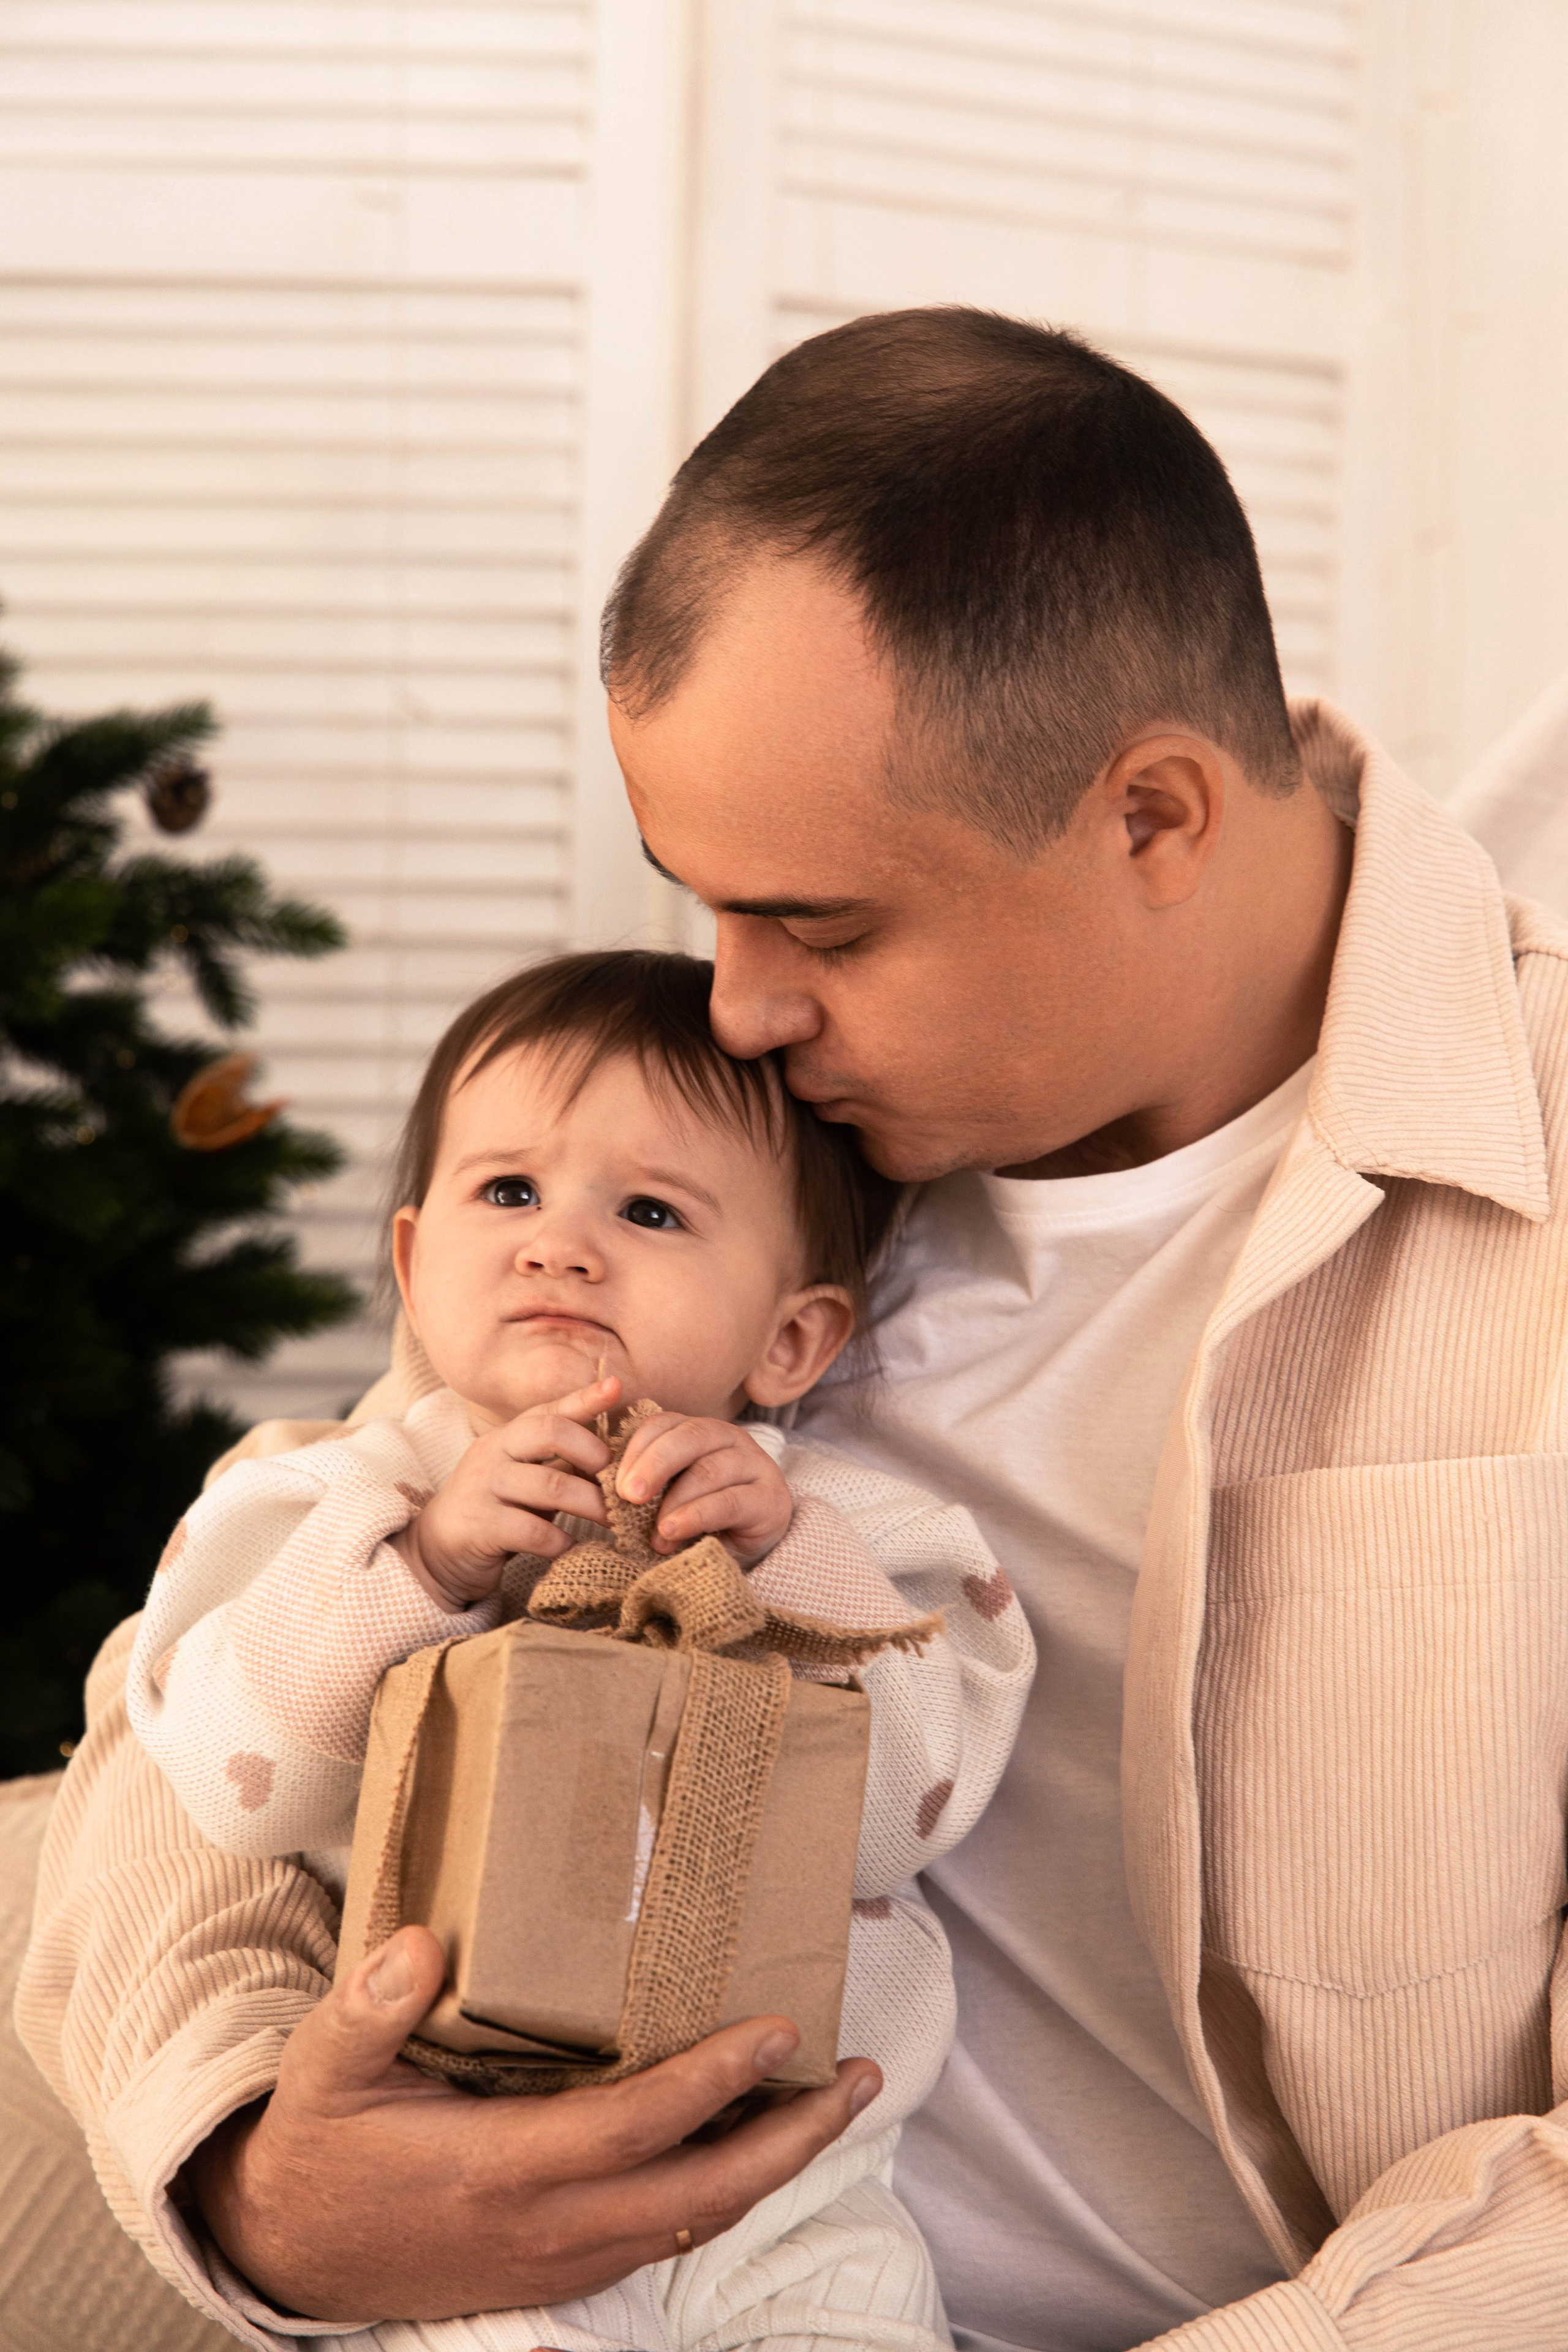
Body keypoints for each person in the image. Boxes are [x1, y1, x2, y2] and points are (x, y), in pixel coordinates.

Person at [20, 306, 1568, 2351]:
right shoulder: (734, 1141)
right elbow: (215, 1658)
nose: (733, 1005)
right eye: (703, 902)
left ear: (1158, 820)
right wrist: (251, 2175)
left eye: (823, 927)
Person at [121, 946, 1034, 2351]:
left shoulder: (856, 1533)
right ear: (418, 1267)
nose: (560, 1245)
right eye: (509, 1193)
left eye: (651, 1210)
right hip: (444, 2174)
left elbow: (906, 1813)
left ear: (791, 1338)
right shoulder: (323, 1504)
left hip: (787, 2193)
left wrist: (783, 1564)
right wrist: (421, 1569)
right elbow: (238, 1787)